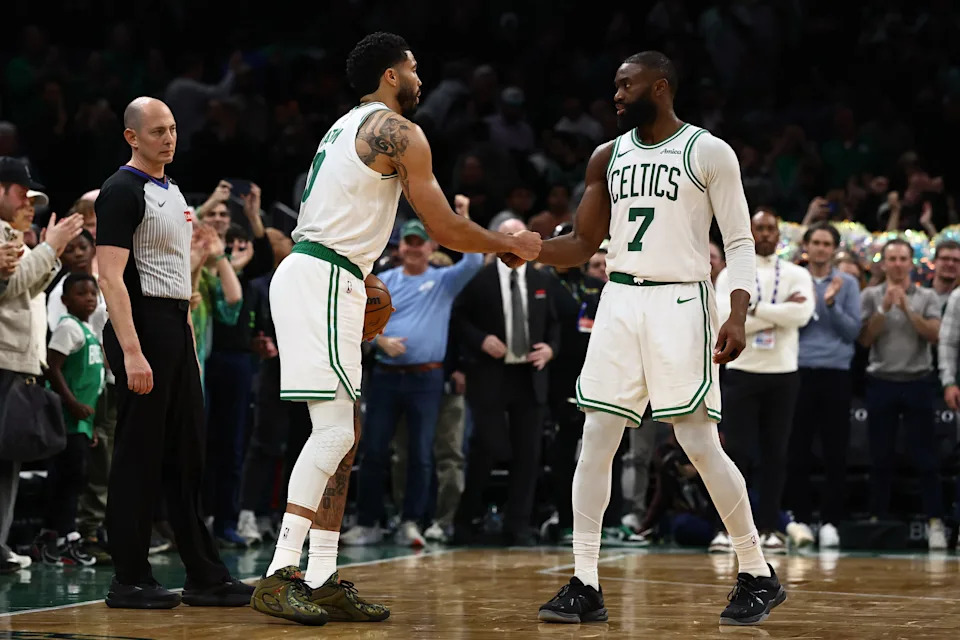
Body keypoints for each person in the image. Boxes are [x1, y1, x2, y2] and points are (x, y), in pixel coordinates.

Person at [251, 32, 541, 626]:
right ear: (391, 75)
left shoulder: (342, 127)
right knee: (333, 436)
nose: (419, 76)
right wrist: (505, 243)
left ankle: (322, 575)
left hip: (331, 276)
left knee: (342, 435)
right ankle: (280, 573)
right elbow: (443, 229)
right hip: (325, 277)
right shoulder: (397, 132)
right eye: (413, 67)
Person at [513, 51, 787, 626]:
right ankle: (585, 580)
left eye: (625, 84)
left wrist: (736, 312)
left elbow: (738, 242)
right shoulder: (606, 156)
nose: (615, 94)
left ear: (659, 87)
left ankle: (756, 569)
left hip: (681, 300)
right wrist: (527, 246)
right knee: (596, 438)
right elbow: (583, 243)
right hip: (619, 299)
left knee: (697, 442)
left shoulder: (708, 151)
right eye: (614, 84)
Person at [95, 97, 251, 609]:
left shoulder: (174, 189)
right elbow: (110, 278)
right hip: (142, 329)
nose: (169, 138)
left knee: (189, 455)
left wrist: (186, 339)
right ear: (132, 137)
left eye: (174, 129)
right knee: (139, 456)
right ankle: (129, 578)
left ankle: (204, 574)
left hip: (175, 329)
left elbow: (176, 274)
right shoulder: (121, 190)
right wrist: (133, 351)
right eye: (157, 131)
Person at [344, 207, 483, 548]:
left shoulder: (443, 281)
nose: (414, 248)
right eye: (409, 242)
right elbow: (358, 322)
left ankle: (411, 522)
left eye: (420, 242)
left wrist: (461, 218)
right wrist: (379, 341)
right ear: (400, 247)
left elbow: (476, 260)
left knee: (422, 453)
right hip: (386, 378)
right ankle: (368, 523)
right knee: (375, 451)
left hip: (427, 379)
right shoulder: (383, 281)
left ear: (432, 246)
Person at [451, 218, 560, 546]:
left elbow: (554, 324)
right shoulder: (480, 279)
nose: (514, 240)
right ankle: (467, 521)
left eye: (519, 234)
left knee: (529, 454)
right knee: (489, 448)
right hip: (490, 375)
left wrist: (550, 349)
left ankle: (518, 526)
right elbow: (458, 318)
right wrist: (481, 339)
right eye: (508, 235)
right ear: (498, 239)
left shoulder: (541, 280)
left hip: (529, 376)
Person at [1, 158, 84, 575]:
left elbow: (24, 287)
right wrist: (52, 246)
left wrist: (49, 250)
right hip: (1, 361)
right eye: (22, 194)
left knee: (8, 460)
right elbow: (10, 286)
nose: (29, 204)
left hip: (16, 362)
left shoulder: (15, 237)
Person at [716, 209, 815, 553]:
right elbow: (721, 319)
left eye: (772, 228)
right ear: (750, 231)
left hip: (783, 374)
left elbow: (801, 314)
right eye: (760, 228)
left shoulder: (796, 273)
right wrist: (776, 314)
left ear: (779, 234)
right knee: (736, 455)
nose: (767, 234)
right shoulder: (731, 274)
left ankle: (770, 527)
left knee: (775, 455)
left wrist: (751, 312)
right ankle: (729, 531)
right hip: (742, 372)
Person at [859, 238, 947, 550]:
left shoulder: (927, 296)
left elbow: (935, 335)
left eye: (902, 259)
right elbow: (866, 339)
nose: (897, 264)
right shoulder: (870, 295)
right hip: (881, 381)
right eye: (892, 259)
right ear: (883, 263)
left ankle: (935, 523)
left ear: (911, 263)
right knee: (880, 456)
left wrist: (906, 308)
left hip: (917, 381)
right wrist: (884, 308)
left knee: (925, 457)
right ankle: (876, 520)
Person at [785, 222, 861, 549]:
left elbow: (852, 332)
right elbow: (790, 325)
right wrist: (804, 308)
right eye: (815, 242)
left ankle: (831, 521)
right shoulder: (793, 279)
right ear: (806, 246)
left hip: (836, 372)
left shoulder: (849, 284)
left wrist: (830, 305)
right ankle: (799, 518)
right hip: (798, 369)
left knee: (835, 449)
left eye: (826, 243)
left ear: (834, 249)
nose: (820, 248)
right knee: (797, 448)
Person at [38, 273, 105, 566]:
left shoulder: (86, 329)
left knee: (72, 477)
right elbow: (52, 367)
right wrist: (73, 403)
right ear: (65, 301)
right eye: (81, 293)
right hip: (67, 417)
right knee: (70, 478)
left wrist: (88, 423)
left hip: (81, 422)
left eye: (93, 293)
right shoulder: (67, 328)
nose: (89, 298)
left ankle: (52, 535)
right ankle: (66, 536)